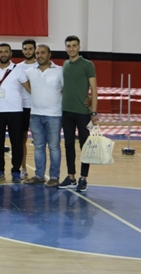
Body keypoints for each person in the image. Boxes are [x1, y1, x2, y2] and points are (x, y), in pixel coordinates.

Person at [59, 36, 99, 193]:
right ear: (66, 48)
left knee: (85, 146)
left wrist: (93, 111)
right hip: (66, 112)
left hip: (83, 113)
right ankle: (71, 177)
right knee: (68, 145)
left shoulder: (87, 65)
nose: (71, 48)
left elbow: (94, 89)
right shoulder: (65, 64)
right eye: (68, 46)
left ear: (79, 47)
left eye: (74, 46)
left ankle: (83, 178)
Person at [0, 43, 31, 183]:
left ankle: (16, 171)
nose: (3, 54)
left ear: (11, 54)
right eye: (1, 52)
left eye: (6, 51)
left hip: (15, 111)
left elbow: (29, 88)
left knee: (16, 143)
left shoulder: (18, 70)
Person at [24, 44, 64, 187]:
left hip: (54, 115)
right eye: (37, 53)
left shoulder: (60, 71)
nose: (39, 55)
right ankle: (39, 175)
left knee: (54, 147)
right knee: (38, 147)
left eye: (42, 52)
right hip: (35, 115)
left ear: (49, 54)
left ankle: (54, 177)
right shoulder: (29, 71)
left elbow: (66, 90)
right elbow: (17, 76)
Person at [17, 39, 37, 180]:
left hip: (37, 108)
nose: (28, 51)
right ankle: (23, 168)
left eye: (30, 49)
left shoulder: (41, 66)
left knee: (39, 140)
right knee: (21, 139)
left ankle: (40, 171)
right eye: (25, 49)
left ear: (34, 50)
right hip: (21, 108)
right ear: (22, 50)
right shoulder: (17, 67)